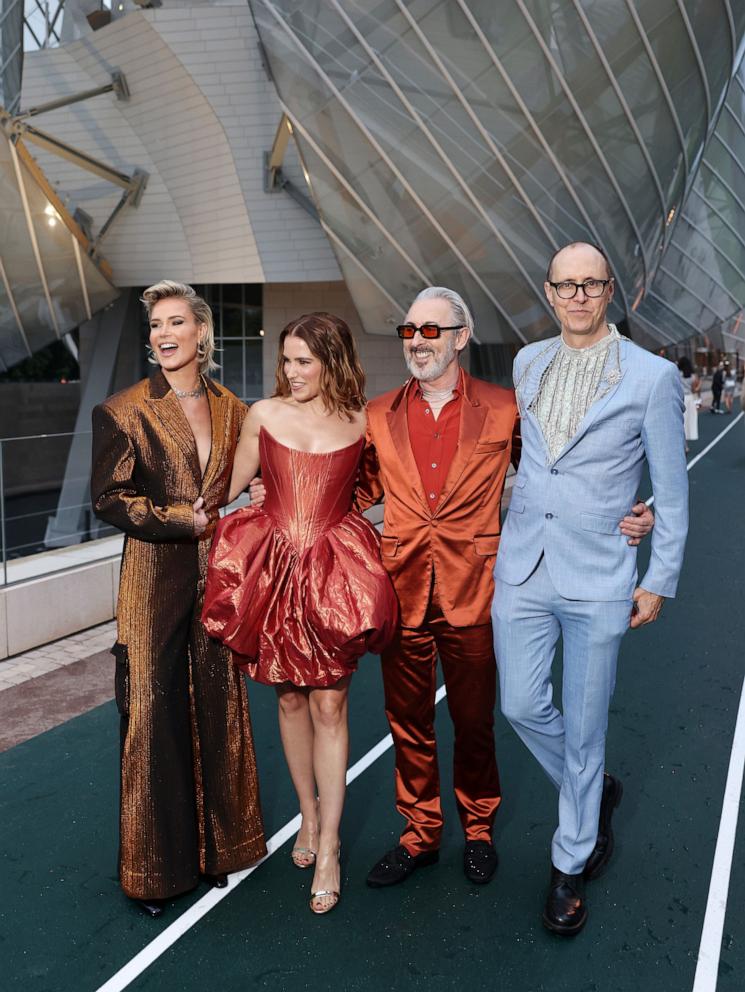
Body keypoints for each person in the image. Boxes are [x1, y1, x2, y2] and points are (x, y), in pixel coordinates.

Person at [356, 287, 654, 891]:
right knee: (407, 724)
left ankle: (479, 830)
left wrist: (633, 509)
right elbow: (354, 493)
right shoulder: (377, 413)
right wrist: (275, 496)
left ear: (461, 337)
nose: (417, 341)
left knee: (475, 723)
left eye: (431, 331)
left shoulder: (504, 407)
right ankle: (419, 834)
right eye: (409, 330)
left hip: (478, 589)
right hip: (403, 590)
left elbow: (563, 472)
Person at [492, 242, 688, 936]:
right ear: (548, 293)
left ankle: (568, 862)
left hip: (601, 574)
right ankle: (592, 789)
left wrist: (656, 575)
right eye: (564, 285)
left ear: (610, 292)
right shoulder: (526, 362)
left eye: (590, 284)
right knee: (518, 703)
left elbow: (669, 485)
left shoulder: (652, 376)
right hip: (521, 567)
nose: (576, 295)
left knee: (584, 726)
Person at [201, 313, 398, 915]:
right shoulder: (264, 414)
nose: (292, 372)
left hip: (333, 572)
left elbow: (389, 490)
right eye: (286, 360)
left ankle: (332, 846)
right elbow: (229, 485)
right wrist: (244, 493)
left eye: (304, 361)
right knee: (288, 698)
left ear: (332, 360)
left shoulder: (363, 423)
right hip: (275, 567)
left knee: (330, 702)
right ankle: (309, 819)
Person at [91, 281, 266, 919]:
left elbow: (250, 484)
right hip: (152, 583)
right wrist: (178, 519)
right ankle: (154, 873)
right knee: (150, 717)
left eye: (175, 323)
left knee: (218, 706)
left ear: (201, 333)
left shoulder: (233, 408)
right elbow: (110, 499)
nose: (164, 334)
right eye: (155, 325)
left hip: (216, 580)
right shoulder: (123, 409)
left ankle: (220, 850)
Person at [677, 356, 700, 450]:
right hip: (690, 399)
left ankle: (684, 445)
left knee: (681, 422)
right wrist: (700, 385)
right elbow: (694, 390)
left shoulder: (677, 374)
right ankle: (685, 445)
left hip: (680, 398)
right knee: (689, 421)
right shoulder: (693, 376)